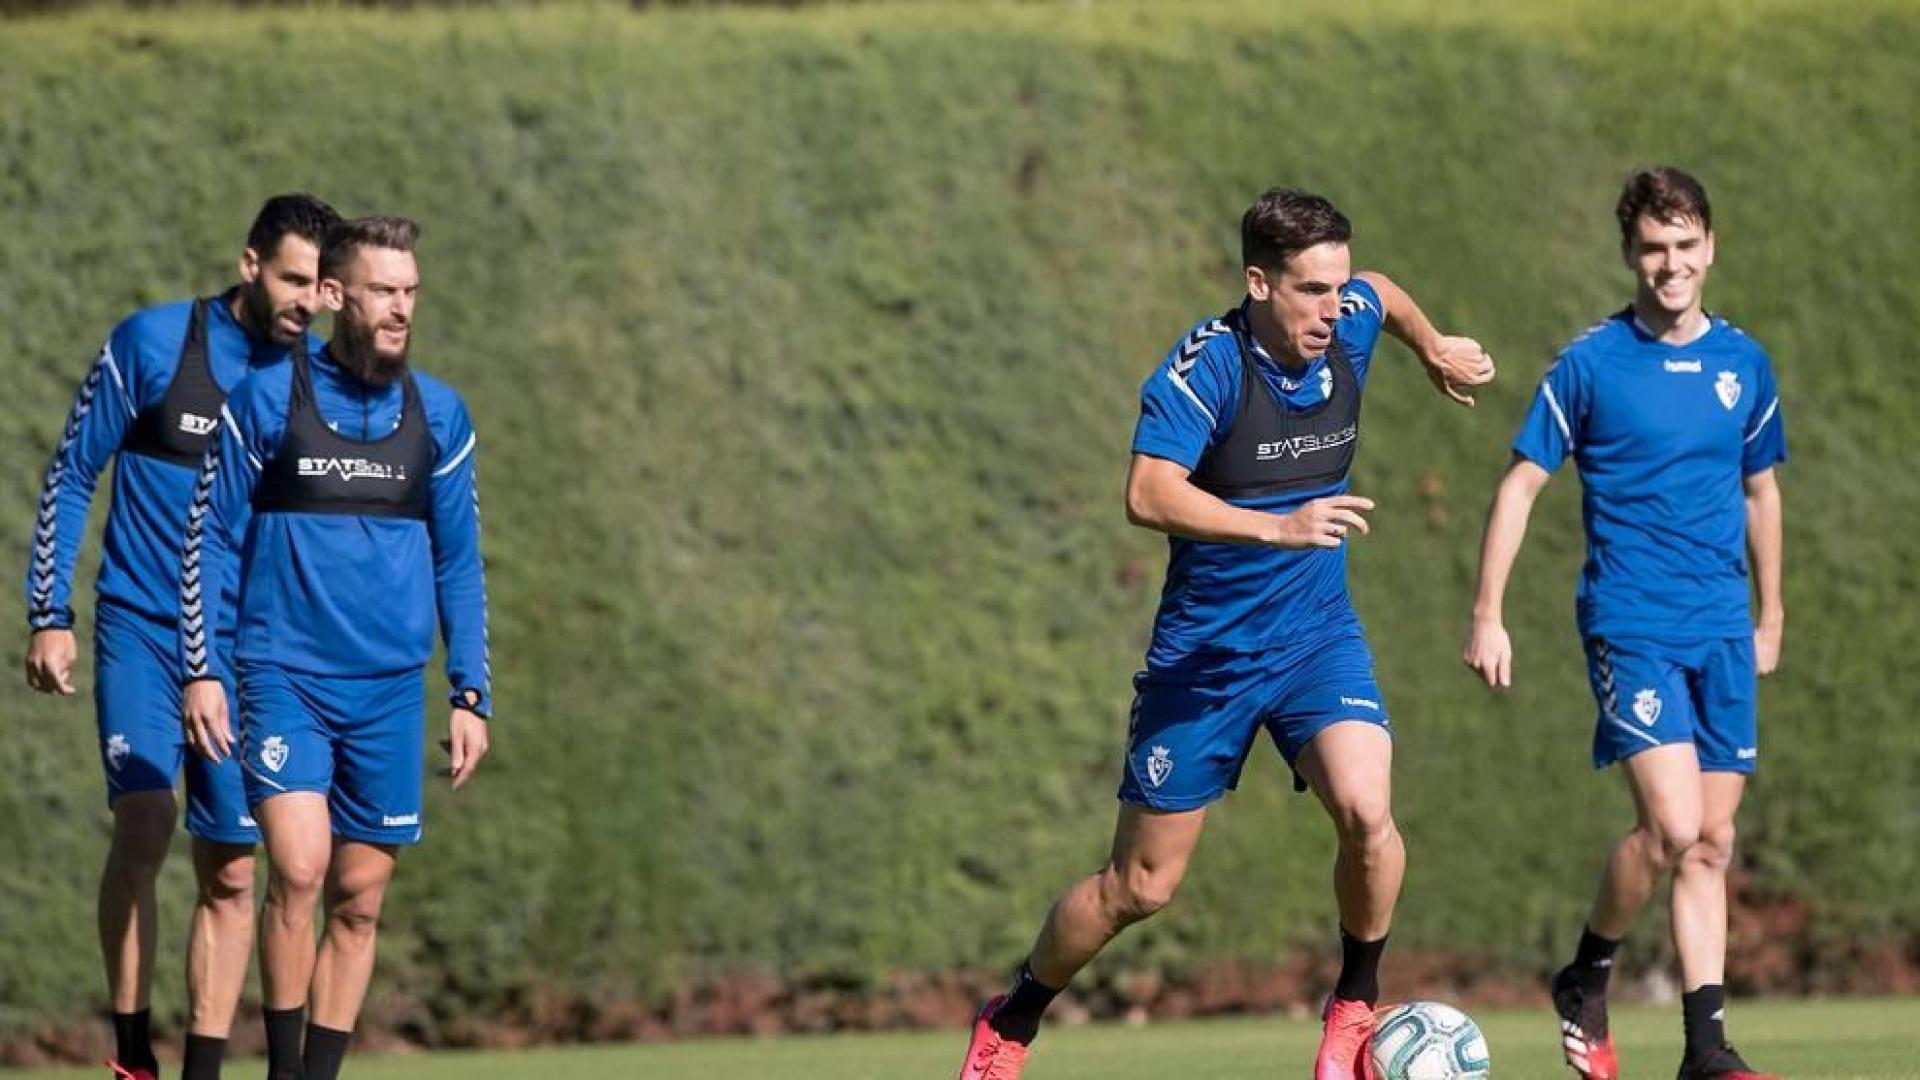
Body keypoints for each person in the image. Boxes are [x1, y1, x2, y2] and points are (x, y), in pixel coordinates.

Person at [956, 188, 1496, 1080]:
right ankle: (1010, 1021)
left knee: (1367, 810)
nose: (1335, 307)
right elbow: (1147, 493)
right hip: (1206, 662)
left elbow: (1385, 292)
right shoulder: (1203, 370)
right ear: (1258, 282)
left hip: (1316, 638)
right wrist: (1277, 526)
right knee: (1140, 888)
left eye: (1339, 286)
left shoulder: (1351, 316)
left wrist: (1432, 346)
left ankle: (1355, 1007)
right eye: (1312, 290)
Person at [1462, 166, 1784, 1080]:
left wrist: (1772, 614)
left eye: (1686, 246)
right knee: (1674, 828)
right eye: (1653, 248)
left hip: (1722, 626)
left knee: (1711, 845)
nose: (1670, 264)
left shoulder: (1743, 363)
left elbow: (1762, 492)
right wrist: (1489, 614)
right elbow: (1521, 485)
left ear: (1710, 248)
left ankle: (1706, 1050)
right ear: (1630, 255)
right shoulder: (1591, 363)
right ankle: (1589, 971)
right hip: (1631, 622)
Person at [23, 195, 340, 1080]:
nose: (303, 301)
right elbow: (73, 471)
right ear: (249, 266)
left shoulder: (317, 386)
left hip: (248, 656)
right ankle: (132, 1053)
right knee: (145, 822)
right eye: (289, 279)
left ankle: (202, 1065)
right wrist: (50, 613)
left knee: (234, 872)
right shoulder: (154, 345)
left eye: (319, 287)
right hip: (142, 630)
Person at [177, 215, 492, 1080]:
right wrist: (203, 671)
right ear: (334, 295)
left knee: (358, 899)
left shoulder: (442, 414)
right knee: (302, 868)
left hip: (390, 692)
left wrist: (470, 694)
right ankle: (282, 1068)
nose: (401, 309)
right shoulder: (266, 401)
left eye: (411, 293)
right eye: (385, 292)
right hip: (283, 677)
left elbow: (460, 561)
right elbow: (208, 540)